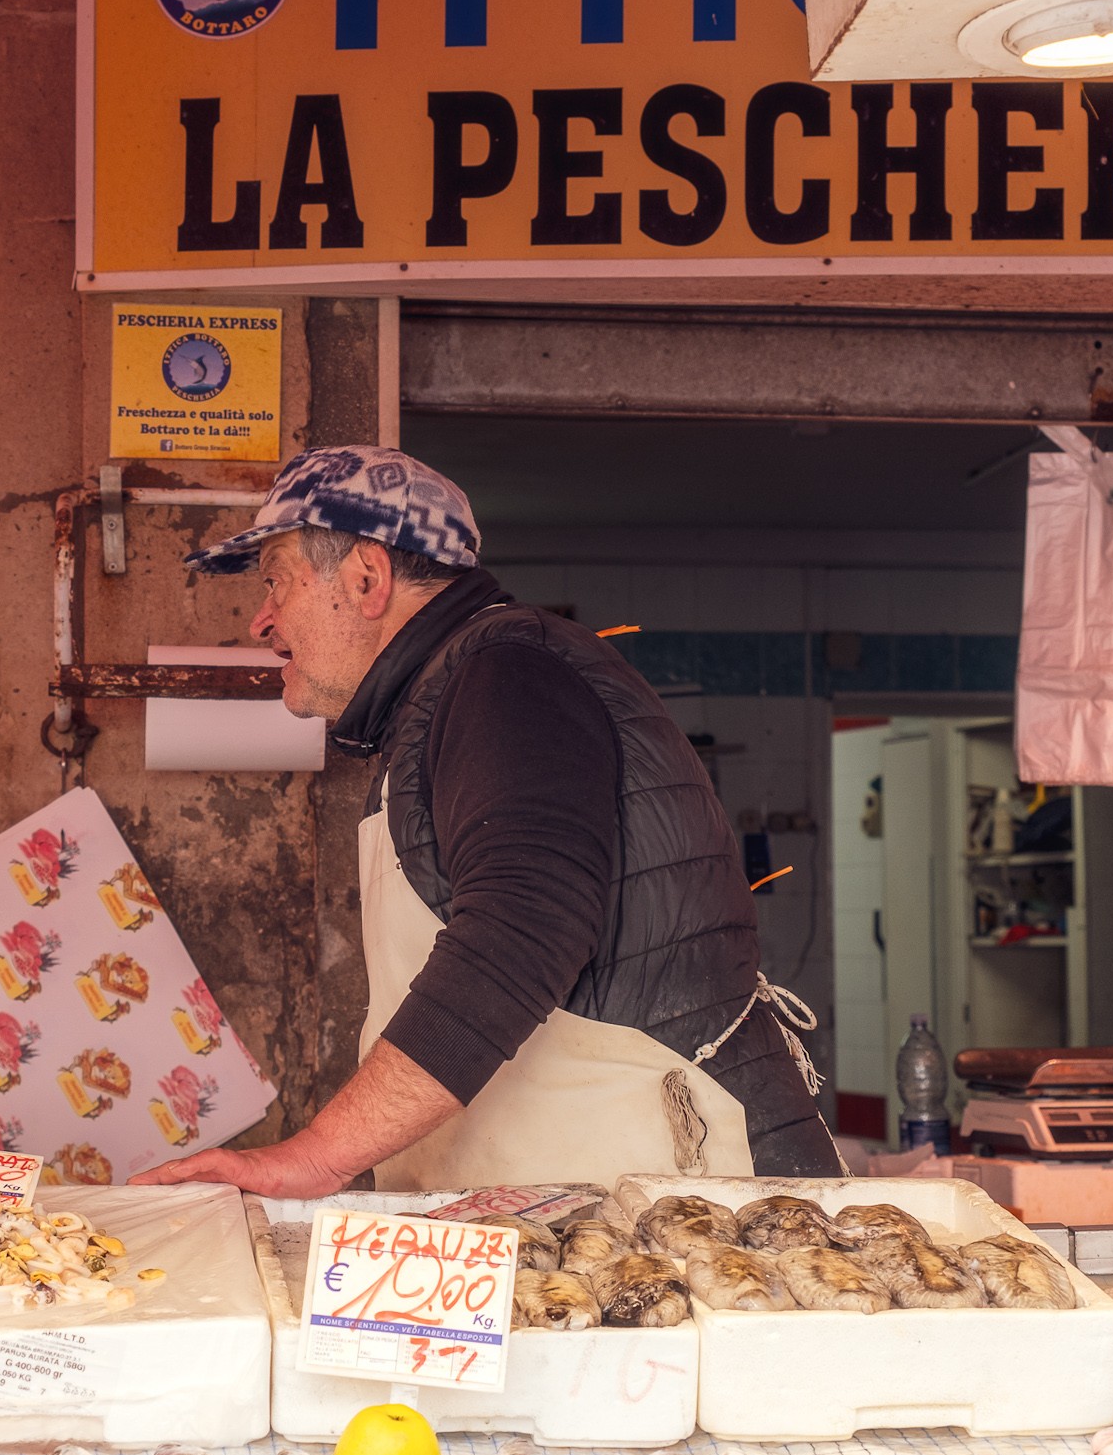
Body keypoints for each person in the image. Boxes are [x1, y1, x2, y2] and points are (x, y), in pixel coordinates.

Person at [132, 447, 840, 1196]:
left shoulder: (506, 675)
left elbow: (521, 927)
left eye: (276, 581)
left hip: (684, 1193)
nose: (260, 620)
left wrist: (318, 1154)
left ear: (366, 578)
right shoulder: (441, 698)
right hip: (589, 1193)